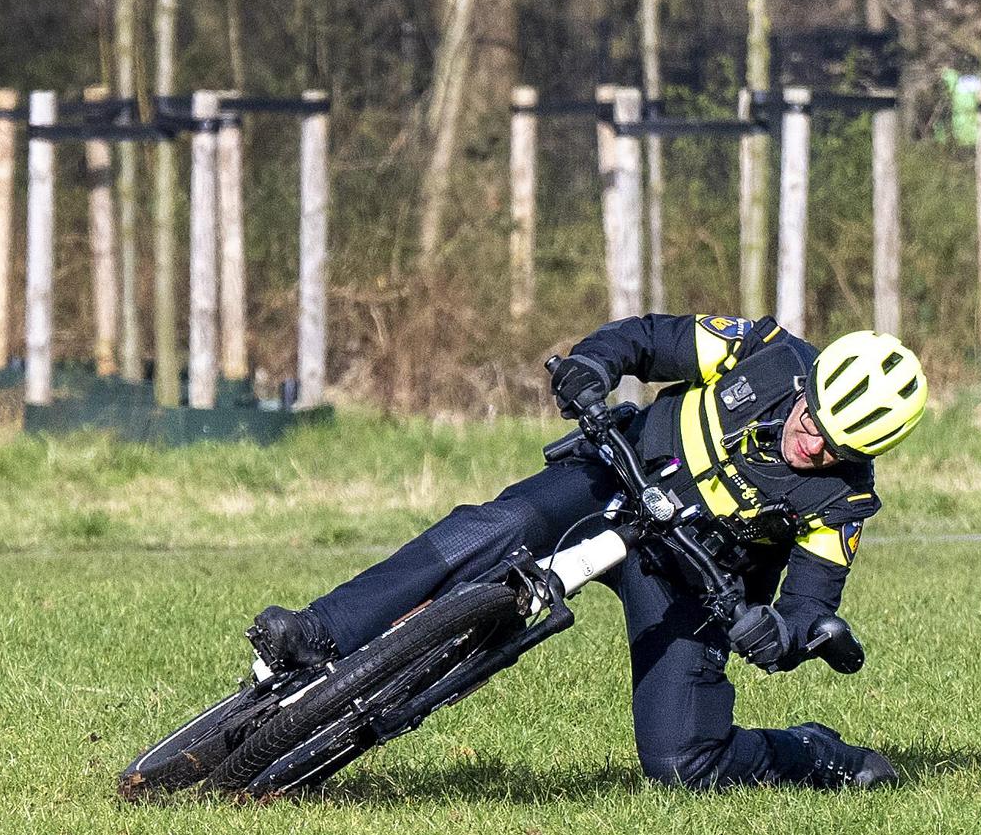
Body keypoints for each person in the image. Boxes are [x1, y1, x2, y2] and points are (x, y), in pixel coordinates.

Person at [239, 315, 931, 791]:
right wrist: (592, 366)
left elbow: (809, 607)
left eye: (837, 450)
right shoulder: (767, 349)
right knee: (492, 527)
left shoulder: (845, 502)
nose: (812, 449)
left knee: (683, 764)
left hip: (692, 575)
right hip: (616, 475)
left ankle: (812, 752)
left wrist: (779, 634)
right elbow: (647, 339)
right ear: (806, 387)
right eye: (813, 425)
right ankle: (317, 630)